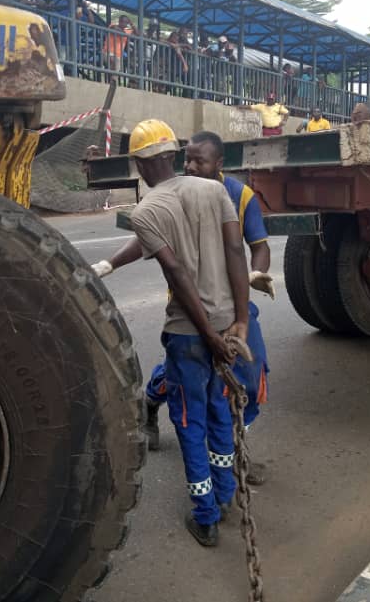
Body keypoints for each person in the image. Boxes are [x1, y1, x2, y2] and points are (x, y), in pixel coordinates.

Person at [93, 131, 274, 482]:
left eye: (198, 161)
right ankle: (154, 400)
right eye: (187, 159)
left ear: (219, 164)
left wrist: (254, 275)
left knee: (250, 376)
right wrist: (110, 264)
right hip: (189, 307)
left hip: (234, 303)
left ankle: (235, 448)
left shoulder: (239, 195)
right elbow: (149, 238)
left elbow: (257, 246)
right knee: (186, 370)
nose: (190, 166)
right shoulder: (178, 192)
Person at [112, 119, 250, 547]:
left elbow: (175, 271)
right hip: (226, 326)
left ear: (139, 164)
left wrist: (206, 334)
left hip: (189, 334)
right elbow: (236, 251)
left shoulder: (145, 212)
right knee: (219, 411)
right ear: (173, 154)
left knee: (189, 421)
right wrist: (239, 322)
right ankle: (225, 495)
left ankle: (205, 516)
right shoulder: (215, 190)